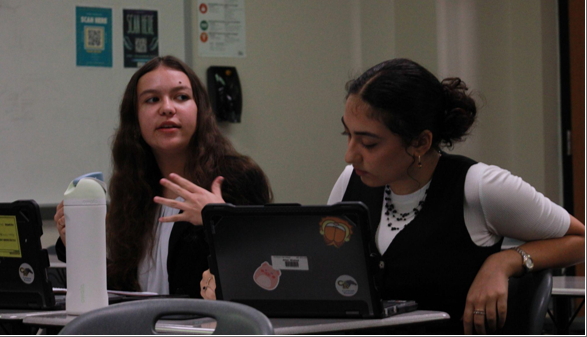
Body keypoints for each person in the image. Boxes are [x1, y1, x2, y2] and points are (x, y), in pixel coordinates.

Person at [200, 58, 585, 335]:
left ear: (420, 142)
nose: (351, 155)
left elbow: (578, 240)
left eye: (368, 142)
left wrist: (505, 261)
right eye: (347, 135)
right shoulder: (352, 181)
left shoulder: (480, 187)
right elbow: (323, 274)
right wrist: (235, 274)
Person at [54, 55, 272, 298]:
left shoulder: (236, 177)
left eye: (181, 97)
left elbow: (265, 269)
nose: (167, 108)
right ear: (135, 118)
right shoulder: (133, 190)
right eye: (152, 99)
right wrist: (78, 245)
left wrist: (219, 219)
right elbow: (126, 290)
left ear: (199, 109)